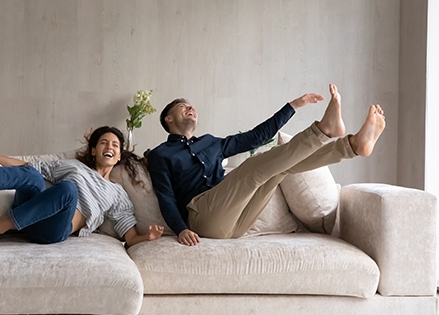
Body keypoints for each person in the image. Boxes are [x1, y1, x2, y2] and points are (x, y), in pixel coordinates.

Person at [147, 84, 385, 246]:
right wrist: (181, 229)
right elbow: (166, 198)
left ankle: (352, 146)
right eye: (182, 107)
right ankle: (323, 132)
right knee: (253, 169)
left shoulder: (211, 143)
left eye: (192, 107)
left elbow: (256, 136)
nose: (190, 108)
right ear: (168, 119)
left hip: (236, 225)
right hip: (204, 218)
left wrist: (293, 106)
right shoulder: (161, 155)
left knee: (279, 169)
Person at [0, 126, 165, 246]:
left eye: (114, 144)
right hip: (32, 212)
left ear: (119, 155)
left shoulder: (117, 192)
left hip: (54, 230)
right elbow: (25, 166)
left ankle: (0, 226)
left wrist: (149, 237)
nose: (109, 147)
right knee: (32, 174)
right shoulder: (73, 166)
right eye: (103, 142)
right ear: (94, 150)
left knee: (68, 190)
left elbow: (131, 237)